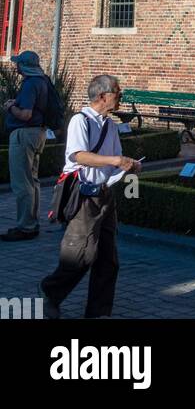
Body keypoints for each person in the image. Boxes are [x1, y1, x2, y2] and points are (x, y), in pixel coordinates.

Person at [39, 74, 141, 320]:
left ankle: (98, 313)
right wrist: (115, 160)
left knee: (108, 260)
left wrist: (128, 165)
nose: (120, 97)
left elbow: (116, 157)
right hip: (84, 194)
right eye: (118, 92)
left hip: (105, 194)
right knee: (81, 255)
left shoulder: (110, 125)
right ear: (102, 96)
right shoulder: (80, 121)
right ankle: (51, 292)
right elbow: (78, 156)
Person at [1, 50, 51, 242]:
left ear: (24, 66)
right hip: (38, 133)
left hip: (25, 133)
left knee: (22, 183)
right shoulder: (42, 81)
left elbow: (26, 115)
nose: (16, 67)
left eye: (18, 64)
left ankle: (25, 226)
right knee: (33, 180)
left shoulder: (30, 84)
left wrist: (10, 107)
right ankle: (32, 222)